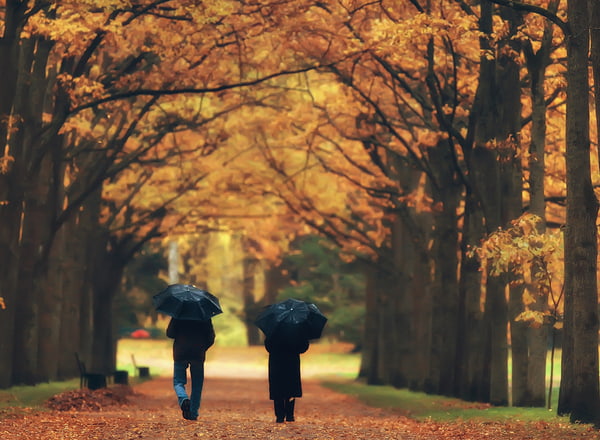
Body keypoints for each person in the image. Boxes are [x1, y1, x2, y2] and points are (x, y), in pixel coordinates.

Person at [166, 317, 215, 421]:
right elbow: (211, 337)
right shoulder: (204, 316)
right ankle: (193, 413)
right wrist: (202, 347)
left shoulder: (178, 314)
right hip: (198, 354)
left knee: (178, 381)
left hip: (180, 353)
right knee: (197, 385)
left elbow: (170, 333)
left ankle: (183, 399)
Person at [265, 333, 310, 423]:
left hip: (276, 361)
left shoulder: (273, 330)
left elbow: (268, 346)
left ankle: (280, 416)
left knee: (277, 387)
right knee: (291, 387)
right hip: (292, 361)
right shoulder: (296, 330)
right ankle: (290, 415)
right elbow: (303, 347)